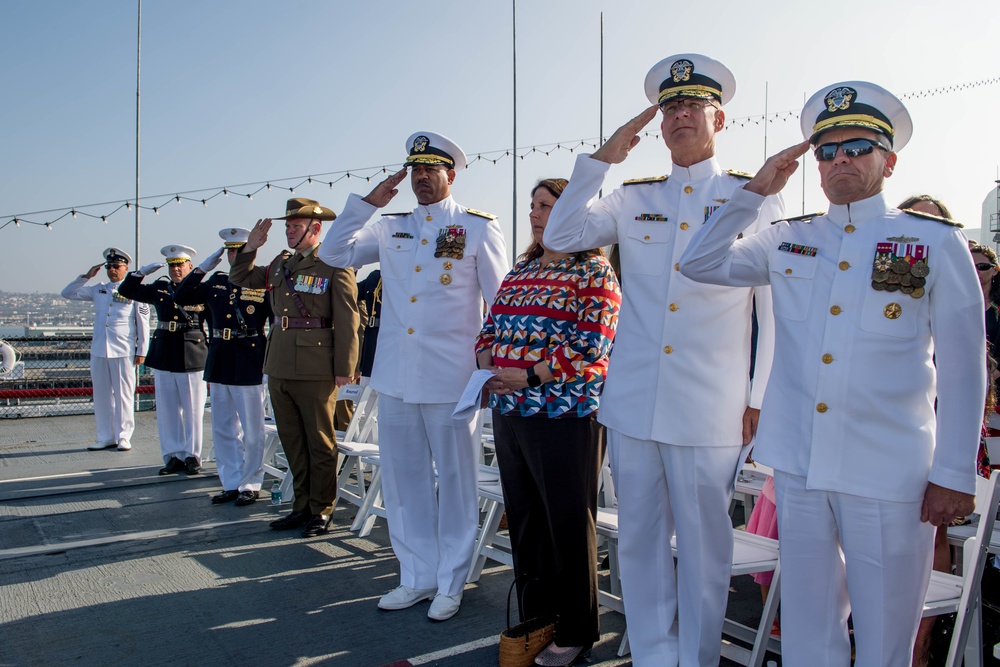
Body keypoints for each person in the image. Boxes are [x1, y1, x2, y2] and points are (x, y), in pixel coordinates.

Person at [680, 80, 986, 666]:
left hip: (888, 469)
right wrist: (752, 195)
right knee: (808, 628)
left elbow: (965, 366)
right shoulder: (787, 238)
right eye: (827, 150)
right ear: (814, 165)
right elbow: (699, 262)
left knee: (883, 636)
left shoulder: (931, 242)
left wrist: (954, 473)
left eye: (859, 146)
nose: (840, 158)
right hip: (800, 464)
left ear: (888, 161)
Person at [542, 54, 783, 666]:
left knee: (705, 549)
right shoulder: (633, 196)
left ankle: (697, 659)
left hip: (711, 405)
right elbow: (561, 235)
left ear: (718, 118)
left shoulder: (749, 196)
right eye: (670, 107)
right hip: (632, 403)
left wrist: (758, 398)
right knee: (641, 541)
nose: (679, 115)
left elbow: (773, 311)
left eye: (692, 105)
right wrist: (600, 160)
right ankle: (652, 655)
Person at [320, 131, 507, 621]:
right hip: (397, 377)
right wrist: (366, 204)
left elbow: (500, 305)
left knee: (458, 484)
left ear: (451, 173)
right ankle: (416, 576)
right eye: (414, 170)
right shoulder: (390, 225)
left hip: (451, 380)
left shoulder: (478, 228)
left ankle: (451, 582)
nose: (421, 177)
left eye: (430, 169)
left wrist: (488, 372)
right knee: (405, 484)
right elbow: (334, 254)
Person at [476, 178, 620, 666]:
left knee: (566, 522)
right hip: (510, 412)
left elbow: (592, 346)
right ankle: (540, 619)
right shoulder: (521, 269)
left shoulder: (594, 272)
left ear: (576, 215)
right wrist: (485, 361)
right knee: (526, 521)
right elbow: (490, 326)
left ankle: (578, 627)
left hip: (565, 414)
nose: (536, 214)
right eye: (533, 206)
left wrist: (530, 375)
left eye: (548, 206)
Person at [230, 198, 359, 537]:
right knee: (292, 440)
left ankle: (322, 510)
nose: (288, 230)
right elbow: (240, 277)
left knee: (319, 442)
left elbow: (348, 318)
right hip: (280, 361)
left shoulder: (334, 263)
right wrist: (251, 247)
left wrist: (346, 366)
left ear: (315, 229)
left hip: (316, 364)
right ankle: (301, 506)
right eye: (287, 225)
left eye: (295, 226)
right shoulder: (279, 264)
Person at [174, 228, 272, 507]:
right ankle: (231, 481)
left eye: (238, 250)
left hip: (250, 360)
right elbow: (181, 296)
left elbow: (276, 321)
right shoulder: (215, 282)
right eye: (230, 251)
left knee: (253, 430)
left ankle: (251, 483)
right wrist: (203, 267)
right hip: (219, 360)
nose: (233, 256)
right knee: (223, 428)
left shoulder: (262, 282)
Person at [119, 245, 210, 475]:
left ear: (190, 266)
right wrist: (140, 273)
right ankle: (173, 455)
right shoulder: (161, 287)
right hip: (165, 351)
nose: (176, 269)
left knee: (192, 410)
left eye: (180, 265)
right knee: (168, 410)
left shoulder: (201, 289)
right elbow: (127, 290)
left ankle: (192, 455)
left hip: (192, 350)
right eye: (172, 265)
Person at [61, 248, 150, 452]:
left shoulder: (135, 292)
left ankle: (124, 435)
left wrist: (142, 350)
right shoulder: (98, 289)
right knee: (101, 396)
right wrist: (86, 277)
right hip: (100, 350)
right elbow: (67, 293)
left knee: (124, 395)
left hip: (124, 350)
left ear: (125, 268)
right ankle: (105, 436)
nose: (112, 270)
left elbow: (143, 323)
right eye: (109, 266)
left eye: (116, 266)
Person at [355, 269, 382, 382]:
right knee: (367, 385)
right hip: (372, 340)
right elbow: (351, 292)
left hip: (395, 339)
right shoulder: (375, 277)